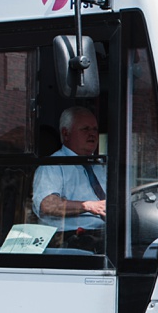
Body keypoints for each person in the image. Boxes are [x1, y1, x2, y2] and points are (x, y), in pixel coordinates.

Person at [33, 106, 106, 251]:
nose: (92, 134)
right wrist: (89, 206)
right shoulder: (52, 165)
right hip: (69, 240)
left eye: (95, 129)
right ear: (66, 134)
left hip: (105, 235)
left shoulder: (100, 166)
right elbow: (48, 205)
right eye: (85, 129)